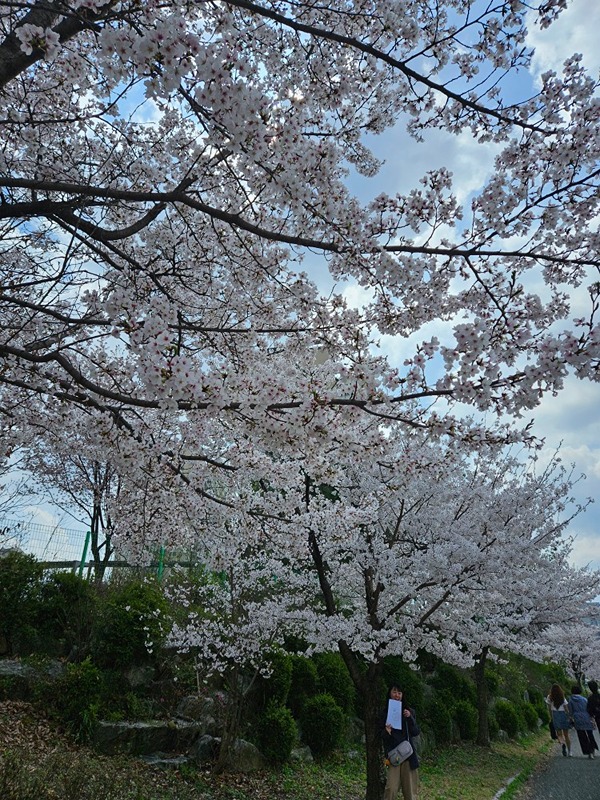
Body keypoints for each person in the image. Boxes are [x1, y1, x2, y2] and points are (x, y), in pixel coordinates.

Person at [379, 685, 420, 800]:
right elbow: (380, 735)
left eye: (399, 693)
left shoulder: (409, 711)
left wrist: (410, 718)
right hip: (394, 756)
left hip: (408, 755)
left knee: (410, 792)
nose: (397, 695)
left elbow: (416, 732)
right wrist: (386, 732)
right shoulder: (384, 712)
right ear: (390, 693)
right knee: (390, 789)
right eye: (394, 692)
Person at [568, 684, 599, 759]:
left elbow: (570, 711)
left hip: (577, 718)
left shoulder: (571, 700)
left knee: (582, 736)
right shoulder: (584, 699)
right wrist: (592, 718)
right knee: (590, 734)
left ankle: (587, 751)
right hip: (586, 717)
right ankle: (592, 749)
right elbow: (588, 708)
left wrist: (571, 719)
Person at [546, 683, 573, 757]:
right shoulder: (562, 696)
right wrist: (569, 716)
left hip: (555, 715)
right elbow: (566, 708)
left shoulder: (549, 697)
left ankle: (563, 744)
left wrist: (551, 717)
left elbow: (549, 708)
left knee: (559, 734)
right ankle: (570, 751)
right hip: (563, 714)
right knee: (566, 735)